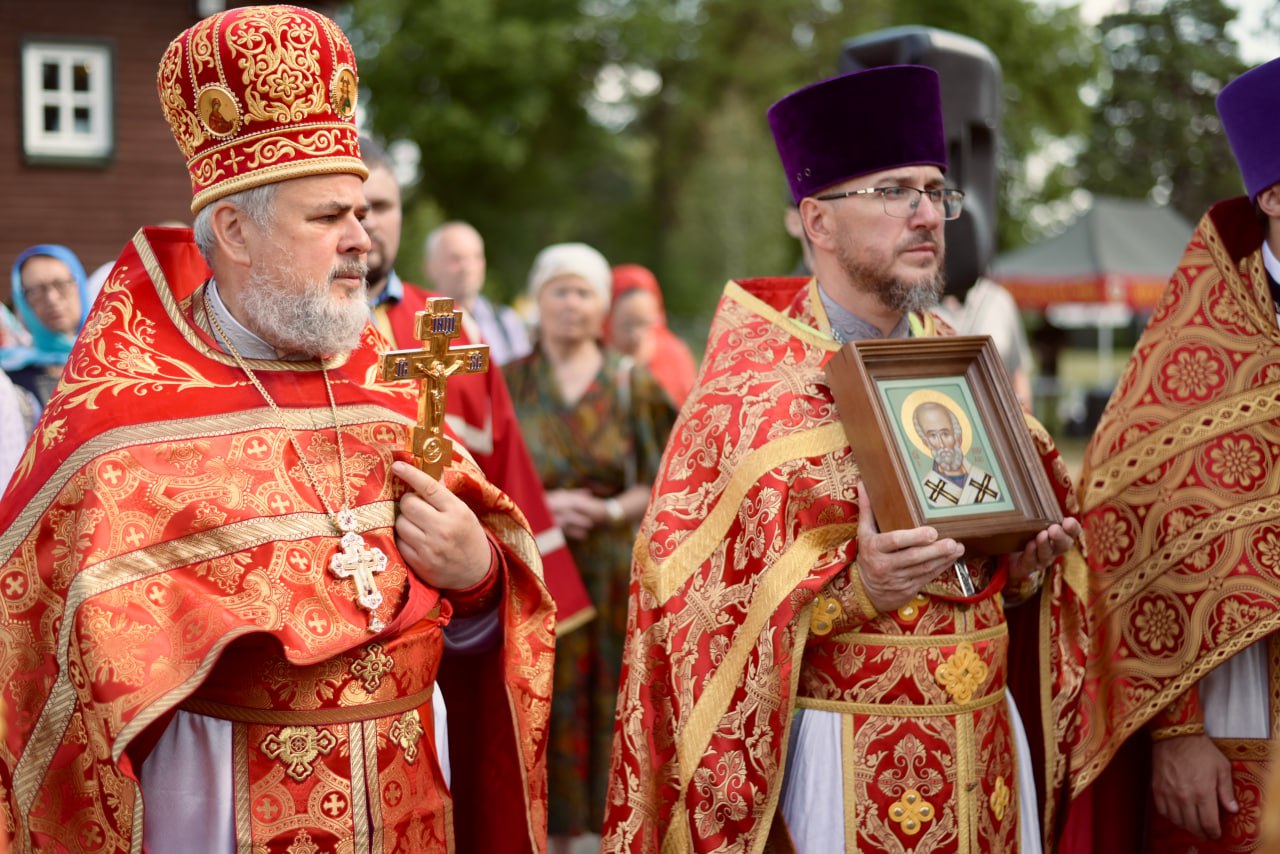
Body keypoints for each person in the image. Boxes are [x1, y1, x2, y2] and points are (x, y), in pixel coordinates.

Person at [0, 7, 553, 853]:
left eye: (362, 213)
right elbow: (41, 694)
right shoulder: (118, 421)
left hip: (413, 809)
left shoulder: (388, 379)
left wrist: (478, 579)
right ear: (233, 230)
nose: (361, 242)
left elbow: (476, 620)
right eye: (327, 217)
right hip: (217, 812)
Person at [601, 65, 1081, 853]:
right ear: (818, 223)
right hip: (835, 758)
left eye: (936, 192)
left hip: (987, 760)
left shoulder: (966, 376)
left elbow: (1011, 569)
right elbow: (690, 621)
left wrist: (1025, 568)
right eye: (894, 191)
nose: (927, 215)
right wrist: (855, 592)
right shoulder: (745, 399)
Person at [1062, 55, 1280, 854]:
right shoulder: (1196, 345)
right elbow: (1123, 526)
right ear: (1276, 196)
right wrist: (1177, 733)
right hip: (1243, 732)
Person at [360, 135, 595, 634]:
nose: (367, 222)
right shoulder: (302, 332)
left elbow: (506, 466)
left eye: (381, 205)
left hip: (454, 610)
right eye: (352, 207)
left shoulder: (450, 325)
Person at [504, 242, 677, 852]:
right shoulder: (507, 382)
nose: (570, 304)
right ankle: (537, 830)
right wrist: (540, 510)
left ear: (601, 305)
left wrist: (604, 508)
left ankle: (607, 833)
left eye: (583, 292)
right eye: (559, 290)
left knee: (609, 696)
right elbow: (483, 472)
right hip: (532, 569)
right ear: (539, 298)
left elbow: (666, 478)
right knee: (536, 695)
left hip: (607, 574)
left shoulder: (630, 383)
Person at [424, 221, 532, 365]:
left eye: (476, 257)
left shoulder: (507, 322)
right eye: (456, 259)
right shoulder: (418, 324)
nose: (468, 267)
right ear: (430, 267)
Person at [1, 245, 90, 408]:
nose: (52, 298)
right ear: (22, 301)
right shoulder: (10, 376)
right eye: (36, 291)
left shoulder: (113, 363)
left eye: (61, 284)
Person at [605, 263, 698, 408]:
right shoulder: (596, 358)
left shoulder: (674, 354)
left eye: (645, 324)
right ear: (608, 319)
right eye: (626, 325)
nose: (637, 336)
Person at [937, 276, 1034, 410]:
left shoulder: (999, 300)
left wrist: (1025, 423)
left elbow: (1018, 374)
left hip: (996, 417)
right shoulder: (918, 303)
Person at [913, 399, 1004, 507]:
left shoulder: (987, 481)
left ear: (958, 436)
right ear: (926, 442)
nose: (941, 444)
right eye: (933, 436)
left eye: (945, 434)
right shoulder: (927, 491)